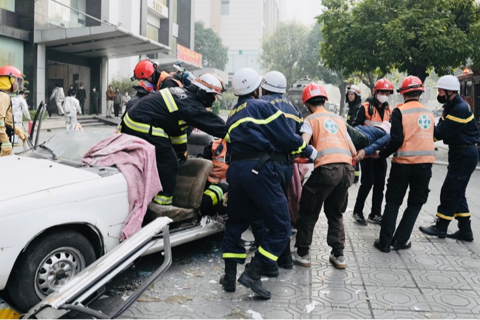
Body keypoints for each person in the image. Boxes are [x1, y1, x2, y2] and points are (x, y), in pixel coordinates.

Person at [220, 68, 316, 299]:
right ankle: (253, 272)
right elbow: (285, 137)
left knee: (236, 223)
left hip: (236, 170)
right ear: (257, 89)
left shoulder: (233, 113)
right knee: (282, 227)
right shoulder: (261, 107)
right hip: (259, 169)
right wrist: (309, 150)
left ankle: (230, 278)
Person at [120, 72, 227, 206]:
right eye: (214, 96)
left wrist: (182, 152)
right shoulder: (190, 104)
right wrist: (232, 135)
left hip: (135, 120)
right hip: (139, 122)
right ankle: (163, 202)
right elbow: (211, 122)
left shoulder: (185, 96)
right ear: (203, 93)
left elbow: (178, 131)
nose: (214, 100)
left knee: (169, 154)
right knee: (168, 160)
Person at [293, 83, 355, 270]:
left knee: (308, 209)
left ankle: (303, 253)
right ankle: (339, 255)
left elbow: (302, 145)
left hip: (327, 171)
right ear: (324, 100)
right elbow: (352, 150)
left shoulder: (310, 120)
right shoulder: (338, 119)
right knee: (335, 212)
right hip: (346, 170)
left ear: (306, 103)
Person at [371, 76, 434, 252]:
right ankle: (400, 240)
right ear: (420, 93)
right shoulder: (429, 113)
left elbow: (396, 139)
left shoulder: (400, 111)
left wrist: (381, 154)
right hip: (425, 166)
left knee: (393, 202)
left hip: (403, 165)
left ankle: (384, 243)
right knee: (415, 203)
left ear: (403, 93)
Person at [419, 75, 480, 241]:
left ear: (450, 91)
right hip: (460, 153)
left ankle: (441, 226)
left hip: (464, 154)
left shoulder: (459, 108)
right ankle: (465, 230)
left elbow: (441, 132)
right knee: (457, 191)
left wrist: (420, 134)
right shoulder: (451, 105)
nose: (439, 93)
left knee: (450, 190)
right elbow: (440, 128)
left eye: (440, 90)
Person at [351, 78, 393, 225]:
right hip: (367, 152)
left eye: (387, 92)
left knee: (380, 184)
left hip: (380, 153)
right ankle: (357, 211)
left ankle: (375, 213)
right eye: (382, 92)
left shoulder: (389, 110)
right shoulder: (365, 107)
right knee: (367, 182)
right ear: (376, 92)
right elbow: (355, 129)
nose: (385, 95)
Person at [0, 65, 27, 156]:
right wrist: (5, 141)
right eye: (15, 81)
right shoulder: (3, 96)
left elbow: (6, 121)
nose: (16, 84)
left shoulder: (3, 95)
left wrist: (17, 130)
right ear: (8, 81)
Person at [346, 84, 362, 183]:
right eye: (349, 94)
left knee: (355, 156)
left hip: (355, 135)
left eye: (352, 94)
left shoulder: (358, 108)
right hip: (350, 134)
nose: (350, 96)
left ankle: (355, 177)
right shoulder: (351, 107)